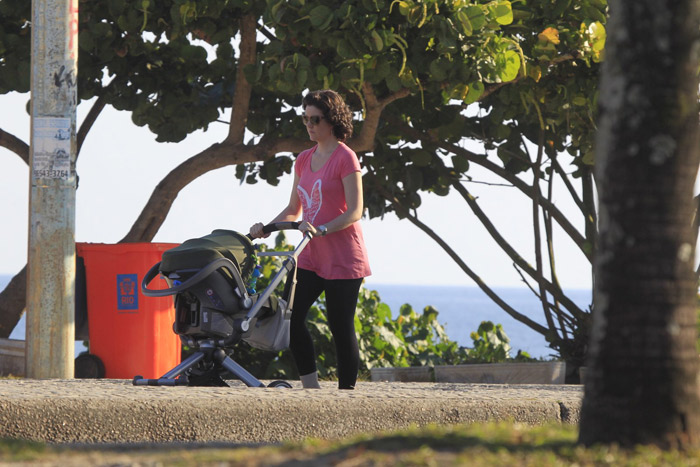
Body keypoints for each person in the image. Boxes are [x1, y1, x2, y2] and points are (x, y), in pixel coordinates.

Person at [249, 89, 371, 390]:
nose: (309, 125)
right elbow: (294, 209)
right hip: (310, 255)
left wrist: (324, 229)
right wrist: (268, 227)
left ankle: (346, 396)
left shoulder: (345, 157)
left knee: (340, 327)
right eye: (305, 119)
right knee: (293, 319)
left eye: (315, 119)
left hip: (343, 256)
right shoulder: (303, 160)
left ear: (332, 120)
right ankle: (311, 389)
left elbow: (355, 211)